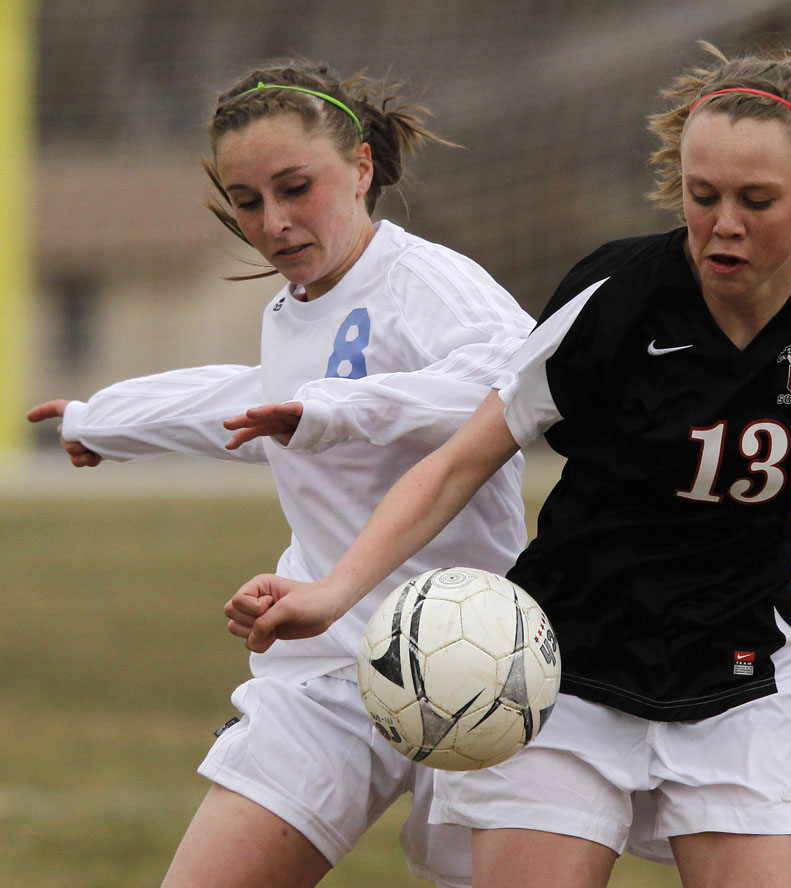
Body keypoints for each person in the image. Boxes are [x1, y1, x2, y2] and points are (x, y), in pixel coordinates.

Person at [225, 39, 791, 888]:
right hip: (565, 673)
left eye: (757, 199)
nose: (725, 224)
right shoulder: (616, 298)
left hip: (740, 671)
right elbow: (459, 464)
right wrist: (333, 592)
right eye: (702, 196)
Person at [28, 60, 534, 888]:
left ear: (362, 166)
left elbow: (511, 388)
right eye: (248, 201)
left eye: (296, 188)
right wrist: (109, 421)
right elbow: (259, 406)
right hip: (324, 655)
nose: (274, 223)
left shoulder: (428, 283)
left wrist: (336, 409)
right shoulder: (290, 311)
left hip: (469, 656)